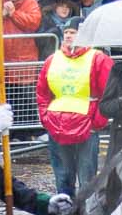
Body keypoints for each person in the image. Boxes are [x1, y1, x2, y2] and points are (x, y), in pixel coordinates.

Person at [36, 25, 113, 200]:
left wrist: (97, 122)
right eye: (66, 33)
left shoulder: (98, 59)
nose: (69, 36)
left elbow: (109, 92)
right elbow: (42, 92)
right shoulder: (52, 59)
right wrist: (46, 118)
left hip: (86, 127)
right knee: (63, 179)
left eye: (73, 32)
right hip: (58, 126)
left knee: (87, 179)